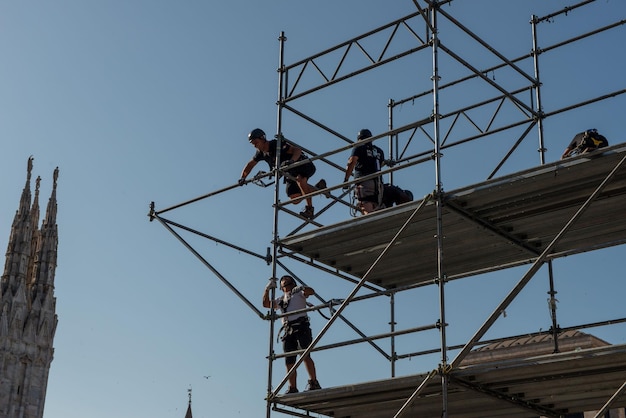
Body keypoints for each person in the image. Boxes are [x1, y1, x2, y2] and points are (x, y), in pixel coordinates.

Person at [239, 128, 327, 219]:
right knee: (295, 199)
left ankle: (309, 209)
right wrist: (243, 178)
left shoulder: (276, 145)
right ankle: (318, 188)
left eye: (255, 142)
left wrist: (292, 161)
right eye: (253, 144)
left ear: (262, 138)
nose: (254, 145)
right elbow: (250, 164)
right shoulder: (260, 153)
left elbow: (297, 150)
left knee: (300, 180)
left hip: (302, 164)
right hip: (290, 171)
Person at [262, 275, 321, 394]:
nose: (287, 287)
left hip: (301, 327)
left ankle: (313, 382)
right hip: (288, 330)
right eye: (284, 285)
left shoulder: (299, 294)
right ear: (282, 288)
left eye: (289, 284)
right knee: (289, 361)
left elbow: (311, 291)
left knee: (304, 355)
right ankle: (292, 387)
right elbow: (266, 304)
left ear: (293, 284)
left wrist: (301, 288)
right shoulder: (280, 300)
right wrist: (267, 289)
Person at [343, 128, 385, 214]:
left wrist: (346, 180)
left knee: (365, 205)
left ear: (359, 139)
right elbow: (381, 164)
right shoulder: (379, 151)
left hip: (364, 182)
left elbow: (352, 162)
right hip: (379, 184)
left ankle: (371, 224)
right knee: (376, 206)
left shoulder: (359, 147)